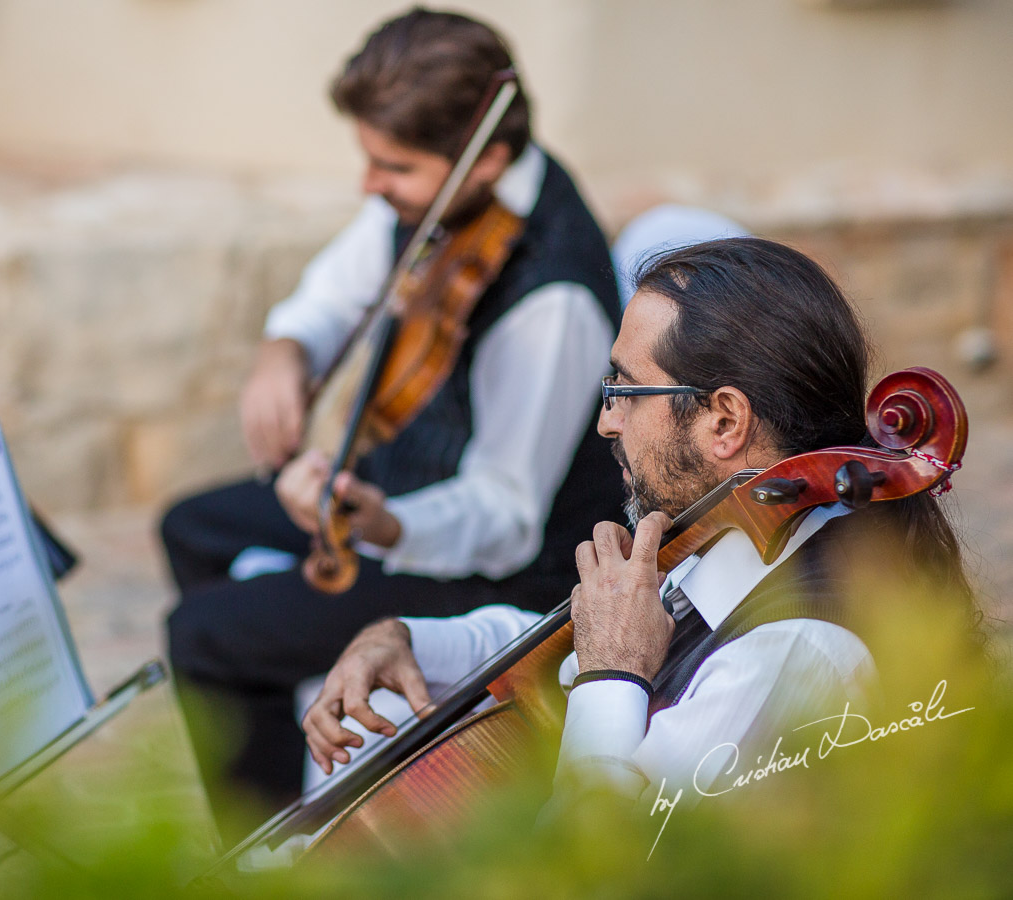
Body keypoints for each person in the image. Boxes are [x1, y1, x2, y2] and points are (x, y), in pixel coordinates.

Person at [303, 236, 973, 808]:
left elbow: (596, 863)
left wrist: (613, 675)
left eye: (623, 389)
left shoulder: (792, 654)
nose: (605, 421)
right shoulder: (739, 529)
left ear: (725, 422)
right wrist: (411, 642)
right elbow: (558, 662)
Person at [162, 7, 624, 830]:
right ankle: (285, 702)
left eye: (392, 167)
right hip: (398, 491)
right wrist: (285, 348)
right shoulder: (440, 195)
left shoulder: (551, 300)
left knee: (205, 638)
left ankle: (274, 854)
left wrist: (385, 524)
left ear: (487, 160)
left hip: (497, 568)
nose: (369, 184)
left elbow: (505, 516)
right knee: (192, 528)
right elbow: (340, 284)